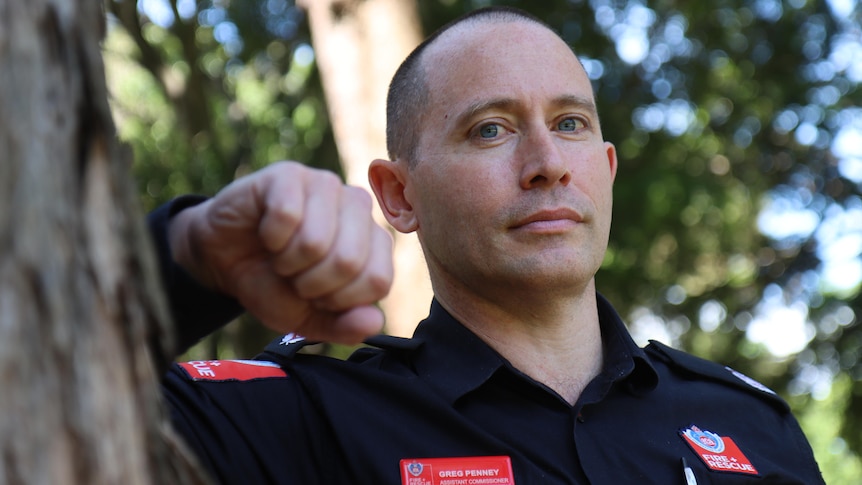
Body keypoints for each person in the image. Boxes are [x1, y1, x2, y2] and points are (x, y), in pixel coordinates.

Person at [155, 7, 825, 484]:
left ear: (607, 169)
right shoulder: (303, 420)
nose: (547, 162)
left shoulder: (749, 422)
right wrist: (190, 256)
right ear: (399, 195)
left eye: (569, 123)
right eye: (490, 130)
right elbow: (56, 391)